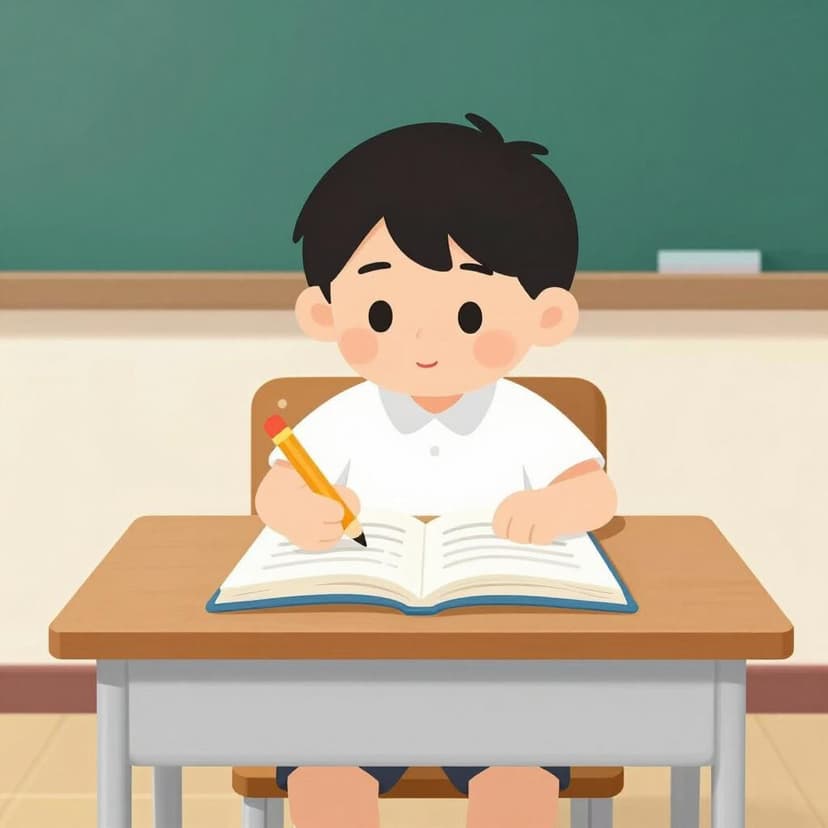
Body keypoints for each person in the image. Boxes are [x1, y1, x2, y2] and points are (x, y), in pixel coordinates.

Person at [255, 113, 617, 828]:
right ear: (323, 312)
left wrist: (555, 510)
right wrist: (296, 509)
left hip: (505, 672)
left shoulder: (528, 417)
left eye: (472, 314)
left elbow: (596, 492)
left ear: (547, 318)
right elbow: (275, 488)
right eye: (383, 310)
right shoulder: (340, 417)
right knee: (329, 787)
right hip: (350, 674)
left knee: (516, 789)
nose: (424, 340)